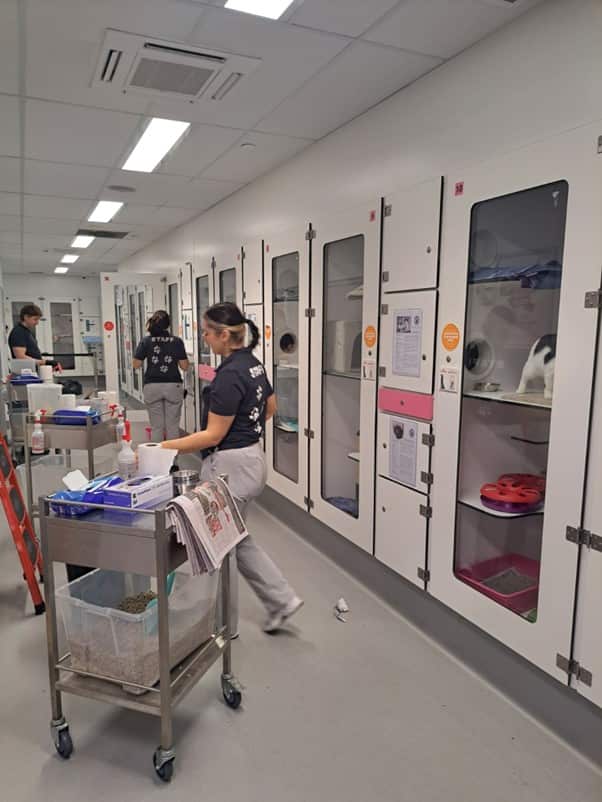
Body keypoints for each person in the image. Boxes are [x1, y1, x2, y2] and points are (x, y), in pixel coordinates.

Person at [161, 302, 303, 634]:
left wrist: (162, 447)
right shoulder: (253, 365)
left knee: (221, 546)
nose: (206, 339)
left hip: (230, 468)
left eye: (208, 333)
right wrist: (245, 427)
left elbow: (213, 434)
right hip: (252, 458)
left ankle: (224, 624)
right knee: (236, 538)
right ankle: (281, 600)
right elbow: (270, 407)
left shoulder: (228, 375)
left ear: (225, 335)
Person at [133, 310, 189, 442]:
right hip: (173, 385)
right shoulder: (176, 341)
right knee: (173, 427)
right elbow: (184, 366)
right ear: (168, 325)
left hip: (152, 386)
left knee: (156, 427)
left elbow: (136, 364)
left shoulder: (146, 342)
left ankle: (157, 460)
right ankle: (172, 460)